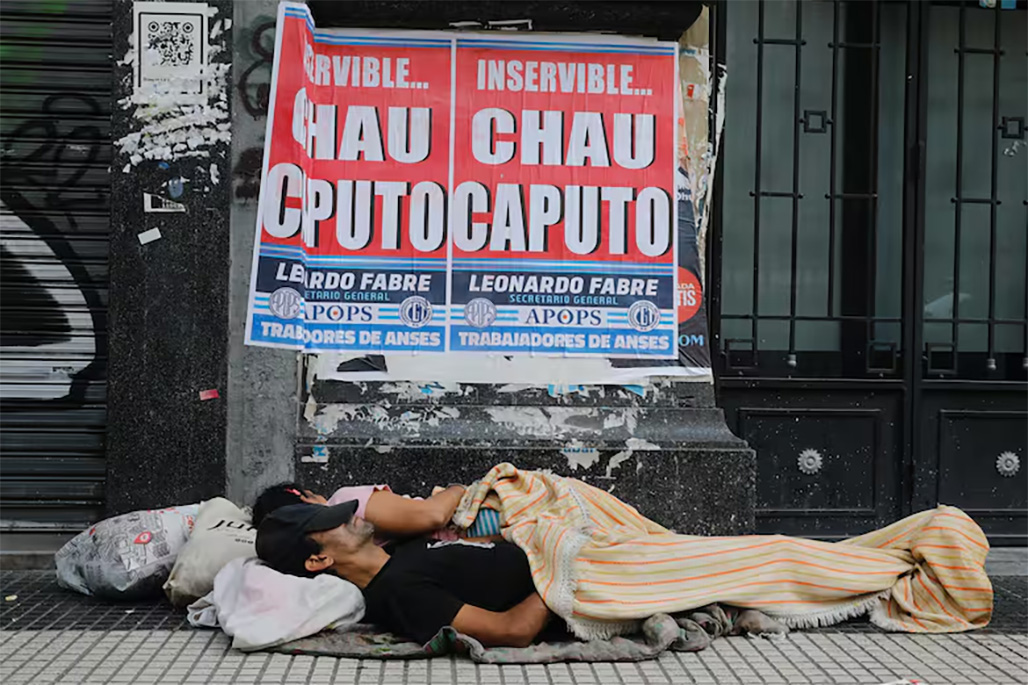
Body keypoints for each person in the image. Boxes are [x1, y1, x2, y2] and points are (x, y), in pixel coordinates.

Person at [255, 501, 552, 647]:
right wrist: (557, 574)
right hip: (567, 580)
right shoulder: (399, 592)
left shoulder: (403, 549)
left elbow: (488, 545)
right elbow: (513, 630)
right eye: (335, 522)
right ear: (319, 559)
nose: (350, 516)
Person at [252, 481, 474, 542]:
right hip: (470, 522)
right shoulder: (343, 501)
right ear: (304, 495)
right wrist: (459, 489)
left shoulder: (320, 552)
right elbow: (432, 515)